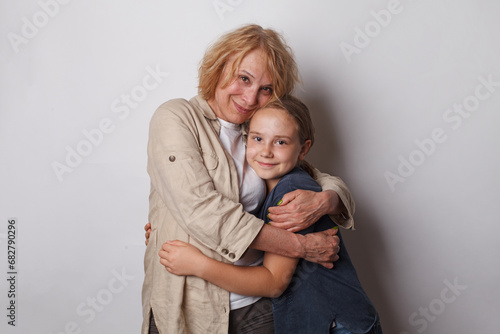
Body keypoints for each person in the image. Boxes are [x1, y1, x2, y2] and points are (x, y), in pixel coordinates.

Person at [142, 24, 355, 334]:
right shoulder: (176, 117)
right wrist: (301, 246)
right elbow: (203, 211)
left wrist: (327, 199)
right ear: (219, 67)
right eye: (244, 78)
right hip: (188, 306)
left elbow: (318, 177)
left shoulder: (257, 135)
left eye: (266, 89)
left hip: (255, 307)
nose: (250, 96)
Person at [159, 96, 383, 334]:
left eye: (281, 142)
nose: (265, 152)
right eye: (257, 139)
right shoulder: (263, 189)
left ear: (303, 149)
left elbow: (273, 283)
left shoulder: (290, 195)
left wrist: (197, 264)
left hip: (340, 326)